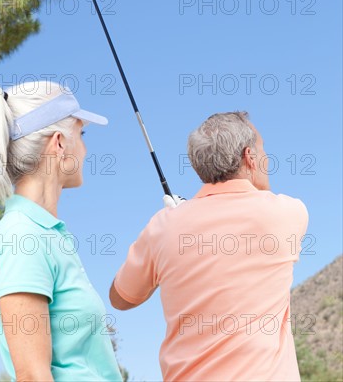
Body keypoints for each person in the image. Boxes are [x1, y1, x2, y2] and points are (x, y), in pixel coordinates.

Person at [110, 111, 309, 382]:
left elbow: (120, 298)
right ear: (249, 157)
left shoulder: (163, 227)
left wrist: (172, 230)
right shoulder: (288, 213)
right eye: (262, 151)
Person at [0, 81, 123, 382]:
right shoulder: (22, 238)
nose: (85, 148)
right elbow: (32, 375)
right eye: (81, 135)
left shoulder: (46, 233)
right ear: (59, 143)